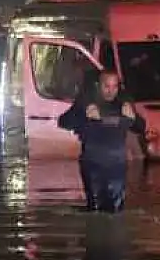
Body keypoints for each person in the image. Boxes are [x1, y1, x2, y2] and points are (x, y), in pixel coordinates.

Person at [57, 71, 146, 213]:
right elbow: (63, 122)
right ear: (98, 85)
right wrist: (84, 116)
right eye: (106, 86)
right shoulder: (86, 101)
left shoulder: (124, 103)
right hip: (93, 163)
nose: (111, 91)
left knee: (116, 210)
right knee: (95, 209)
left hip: (117, 165)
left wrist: (133, 117)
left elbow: (141, 127)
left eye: (114, 87)